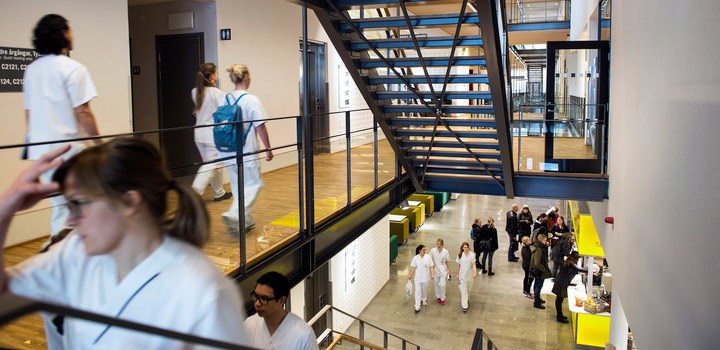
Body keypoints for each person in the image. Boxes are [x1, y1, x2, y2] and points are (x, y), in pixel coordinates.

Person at [0, 138, 249, 348]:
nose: (71, 219)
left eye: (78, 204)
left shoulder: (202, 292)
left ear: (129, 202)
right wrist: (5, 209)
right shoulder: (75, 252)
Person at [24, 14, 101, 241]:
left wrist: (34, 158)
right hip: (70, 151)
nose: (73, 34)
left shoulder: (32, 70)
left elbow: (29, 115)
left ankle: (58, 254)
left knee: (60, 207)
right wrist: (99, 144)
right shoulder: (73, 69)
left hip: (43, 153)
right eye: (70, 30)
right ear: (64, 34)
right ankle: (63, 257)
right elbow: (83, 112)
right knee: (80, 205)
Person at [220, 64, 273, 234]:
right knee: (253, 184)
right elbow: (260, 127)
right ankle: (234, 214)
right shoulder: (251, 100)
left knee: (238, 187)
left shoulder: (226, 99)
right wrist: (268, 149)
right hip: (246, 149)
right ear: (246, 78)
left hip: (228, 150)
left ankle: (244, 221)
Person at [190, 63, 232, 202]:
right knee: (211, 164)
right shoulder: (218, 94)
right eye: (217, 73)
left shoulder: (195, 91)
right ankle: (193, 195)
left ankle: (219, 193)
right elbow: (223, 115)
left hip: (199, 134)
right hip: (212, 134)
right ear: (213, 75)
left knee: (212, 163)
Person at [244, 271, 319, 349]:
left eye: (264, 298)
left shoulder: (304, 335)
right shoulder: (249, 325)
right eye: (256, 296)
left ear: (281, 300)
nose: (257, 304)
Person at [552, 252, 587, 323]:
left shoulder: (568, 261)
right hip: (561, 283)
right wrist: (592, 270)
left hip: (560, 282)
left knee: (559, 300)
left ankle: (560, 315)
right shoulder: (571, 263)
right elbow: (579, 269)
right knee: (559, 300)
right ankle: (559, 317)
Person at [408, 244, 434, 313]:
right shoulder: (415, 258)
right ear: (419, 250)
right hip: (418, 278)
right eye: (423, 250)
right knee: (417, 292)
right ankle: (417, 306)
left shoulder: (428, 257)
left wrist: (432, 274)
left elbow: (431, 266)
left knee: (424, 290)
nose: (425, 251)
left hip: (425, 278)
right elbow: (413, 267)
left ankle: (424, 299)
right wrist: (410, 275)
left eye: (425, 250)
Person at [530, 234, 552, 309]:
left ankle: (538, 298)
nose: (546, 242)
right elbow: (537, 263)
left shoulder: (539, 246)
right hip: (539, 271)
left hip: (538, 270)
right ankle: (536, 302)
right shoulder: (539, 249)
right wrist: (544, 269)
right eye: (545, 240)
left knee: (538, 285)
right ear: (541, 240)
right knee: (538, 286)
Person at [455, 242, 477, 312]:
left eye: (467, 247)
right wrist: (458, 274)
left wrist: (475, 272)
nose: (466, 249)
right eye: (464, 247)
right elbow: (459, 265)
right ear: (462, 248)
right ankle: (465, 306)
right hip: (462, 275)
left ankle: (466, 299)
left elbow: (473, 264)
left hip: (469, 275)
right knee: (464, 291)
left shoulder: (472, 255)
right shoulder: (460, 255)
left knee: (468, 289)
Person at [429, 238, 450, 305]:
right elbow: (429, 258)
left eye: (440, 244)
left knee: (442, 285)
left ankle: (443, 298)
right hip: (436, 270)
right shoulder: (433, 250)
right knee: (436, 284)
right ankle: (438, 296)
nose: (439, 245)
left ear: (442, 244)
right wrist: (433, 265)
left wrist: (449, 270)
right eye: (438, 244)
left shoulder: (445, 251)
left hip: (443, 270)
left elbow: (447, 261)